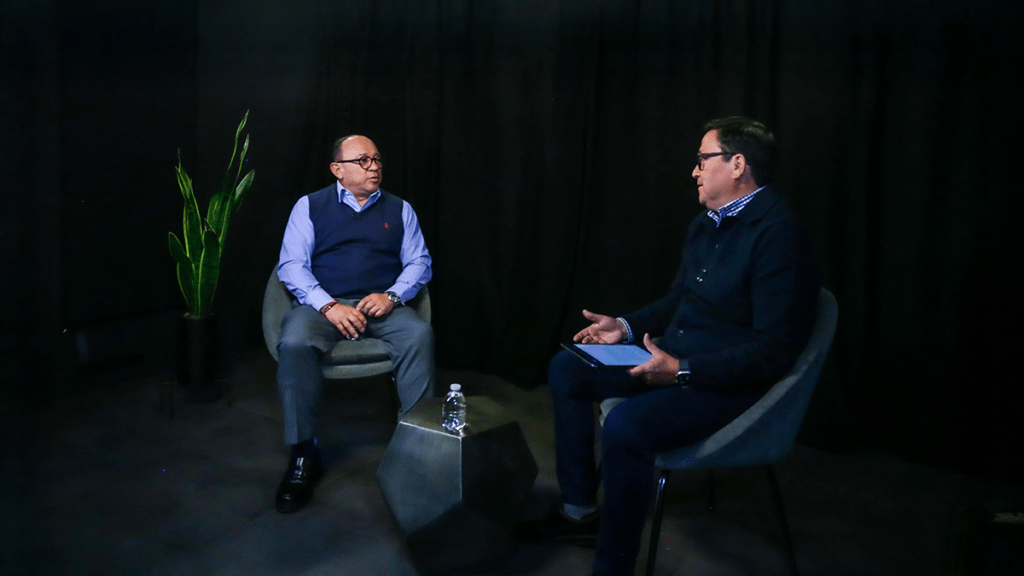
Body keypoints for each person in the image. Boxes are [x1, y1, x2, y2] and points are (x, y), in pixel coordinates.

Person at [521, 117, 820, 575]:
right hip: (669, 360)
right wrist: (623, 326)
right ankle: (579, 512)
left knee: (625, 426)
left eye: (703, 159)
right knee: (567, 368)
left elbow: (775, 352)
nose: (695, 171)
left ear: (737, 164)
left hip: (721, 383)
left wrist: (682, 370)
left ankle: (613, 565)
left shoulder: (779, 234)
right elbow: (679, 299)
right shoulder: (706, 224)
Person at [273, 135, 434, 513]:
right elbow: (291, 265)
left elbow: (420, 262)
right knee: (294, 343)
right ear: (338, 169)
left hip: (381, 305)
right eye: (363, 160)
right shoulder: (309, 206)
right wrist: (327, 305)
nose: (374, 166)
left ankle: (418, 449)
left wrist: (392, 296)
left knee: (419, 335)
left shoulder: (400, 208)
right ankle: (303, 453)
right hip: (323, 305)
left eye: (377, 158)